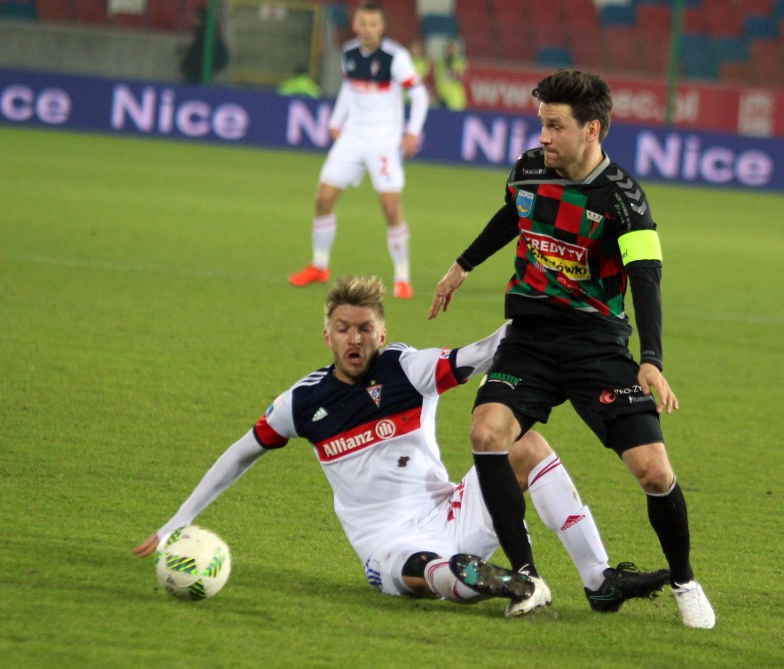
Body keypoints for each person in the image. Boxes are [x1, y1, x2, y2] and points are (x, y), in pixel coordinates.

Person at [134, 276, 668, 615]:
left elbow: (480, 354)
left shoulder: (406, 369)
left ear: (381, 333)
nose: (354, 339)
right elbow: (240, 453)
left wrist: (533, 318)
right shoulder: (301, 404)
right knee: (425, 572)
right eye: (342, 328)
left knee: (522, 442)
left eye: (365, 328)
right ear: (327, 335)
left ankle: (597, 579)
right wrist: (178, 520)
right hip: (386, 542)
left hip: (453, 509)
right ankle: (490, 581)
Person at [428, 69, 715, 628]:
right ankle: (527, 577)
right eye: (542, 124)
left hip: (596, 346)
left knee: (654, 472)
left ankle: (684, 580)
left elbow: (646, 278)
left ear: (593, 130)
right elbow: (514, 213)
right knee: (487, 431)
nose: (544, 137)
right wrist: (463, 265)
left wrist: (651, 360)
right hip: (530, 339)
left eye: (555, 127)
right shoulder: (530, 170)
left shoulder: (626, 200)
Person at [288, 3, 430, 300]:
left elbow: (419, 96)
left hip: (383, 141)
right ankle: (319, 265)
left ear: (382, 27)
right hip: (352, 136)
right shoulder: (350, 52)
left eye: (373, 24)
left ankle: (402, 277)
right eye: (362, 23)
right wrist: (336, 121)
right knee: (323, 198)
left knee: (391, 208)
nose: (367, 29)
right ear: (355, 25)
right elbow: (349, 89)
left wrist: (412, 132)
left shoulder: (396, 57)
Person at [180, 7, 229, 84]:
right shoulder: (210, 29)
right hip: (217, 58)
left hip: (210, 60)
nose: (193, 20)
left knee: (190, 70)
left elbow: (198, 47)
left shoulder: (203, 30)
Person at [434, 39, 468, 111]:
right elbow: (438, 79)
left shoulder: (460, 62)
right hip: (443, 97)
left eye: (453, 49)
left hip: (456, 98)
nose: (451, 52)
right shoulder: (441, 63)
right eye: (449, 49)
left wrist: (453, 72)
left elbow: (462, 77)